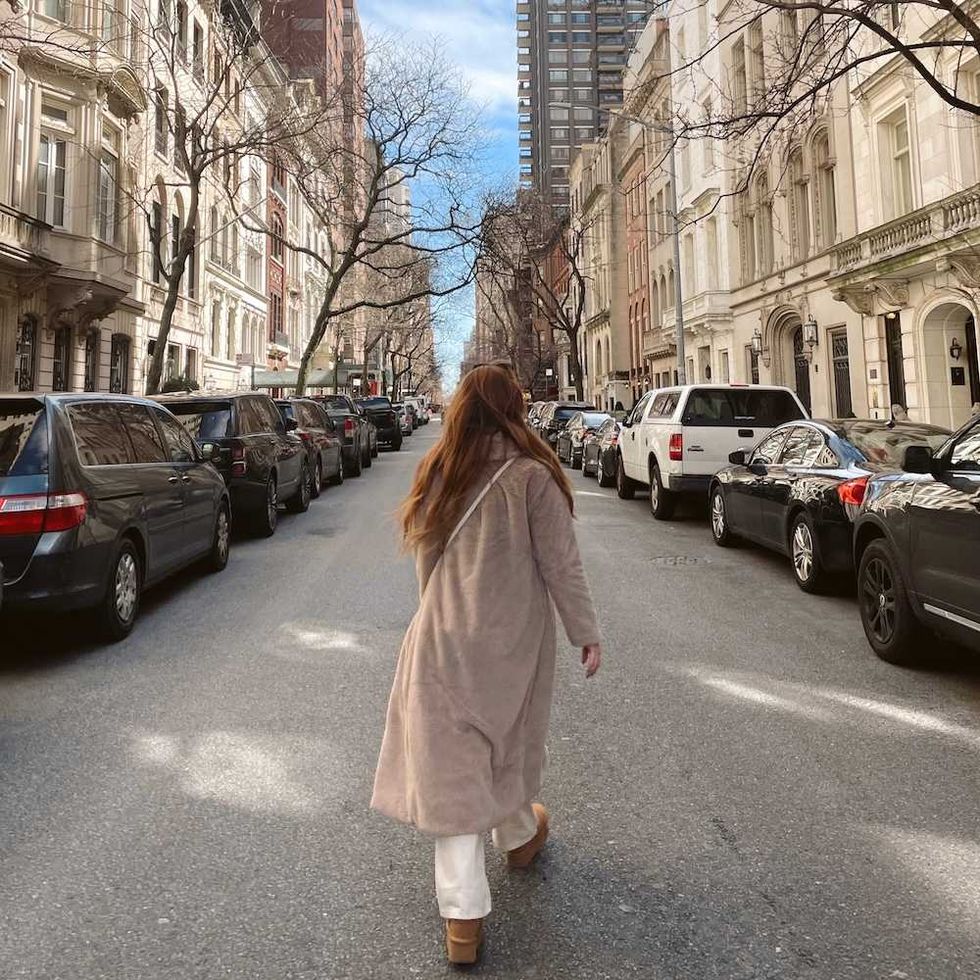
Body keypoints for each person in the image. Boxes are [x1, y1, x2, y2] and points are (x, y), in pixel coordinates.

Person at [371, 364, 602, 965]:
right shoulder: (533, 475)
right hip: (512, 639)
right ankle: (514, 843)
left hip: (443, 634)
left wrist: (438, 614)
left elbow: (426, 563)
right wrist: (586, 632)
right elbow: (562, 564)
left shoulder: (440, 470)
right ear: (514, 410)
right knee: (502, 740)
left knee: (453, 762)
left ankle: (467, 915)